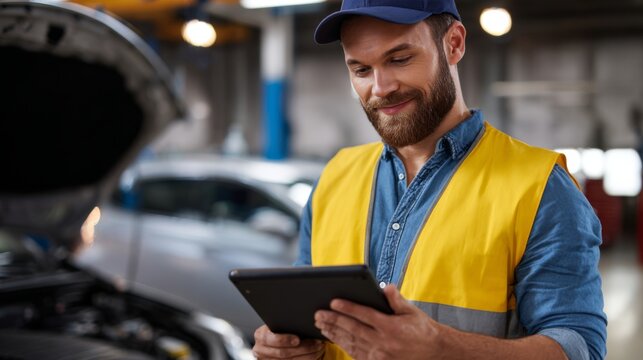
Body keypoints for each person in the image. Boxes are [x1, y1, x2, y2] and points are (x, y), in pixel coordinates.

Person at [252, 1, 607, 359]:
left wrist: (441, 348)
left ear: (453, 43)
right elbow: (310, 322)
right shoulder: (335, 177)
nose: (381, 87)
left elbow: (580, 347)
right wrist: (290, 347)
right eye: (360, 69)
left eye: (400, 59)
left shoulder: (540, 188)